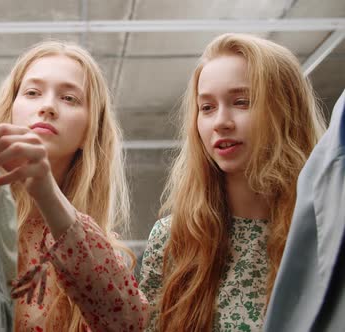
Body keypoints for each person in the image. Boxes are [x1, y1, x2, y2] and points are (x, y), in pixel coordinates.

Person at [138, 33, 326, 331]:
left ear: (286, 110)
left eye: (241, 102)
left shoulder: (326, 231)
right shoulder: (174, 238)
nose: (221, 122)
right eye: (207, 107)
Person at [0, 40, 149, 331]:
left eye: (69, 98)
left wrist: (47, 193)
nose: (47, 107)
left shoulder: (99, 254)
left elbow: (128, 322)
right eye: (32, 92)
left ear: (89, 131)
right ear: (11, 109)